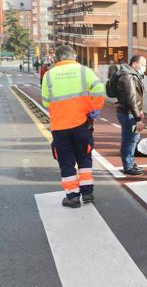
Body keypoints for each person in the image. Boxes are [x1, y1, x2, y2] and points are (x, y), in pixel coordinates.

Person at [41, 45, 105, 207]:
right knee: (84, 158)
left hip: (60, 127)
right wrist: (94, 109)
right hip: (82, 124)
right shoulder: (85, 71)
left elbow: (45, 101)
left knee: (66, 162)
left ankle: (72, 197)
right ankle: (88, 193)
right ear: (74, 57)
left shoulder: (49, 76)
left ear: (58, 58)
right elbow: (99, 89)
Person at [115, 54, 147, 176]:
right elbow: (131, 98)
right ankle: (128, 166)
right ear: (135, 64)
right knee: (130, 140)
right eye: (143, 64)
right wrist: (138, 117)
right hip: (129, 113)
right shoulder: (128, 76)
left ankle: (130, 162)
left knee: (133, 138)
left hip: (130, 112)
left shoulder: (131, 75)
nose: (144, 67)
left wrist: (140, 110)